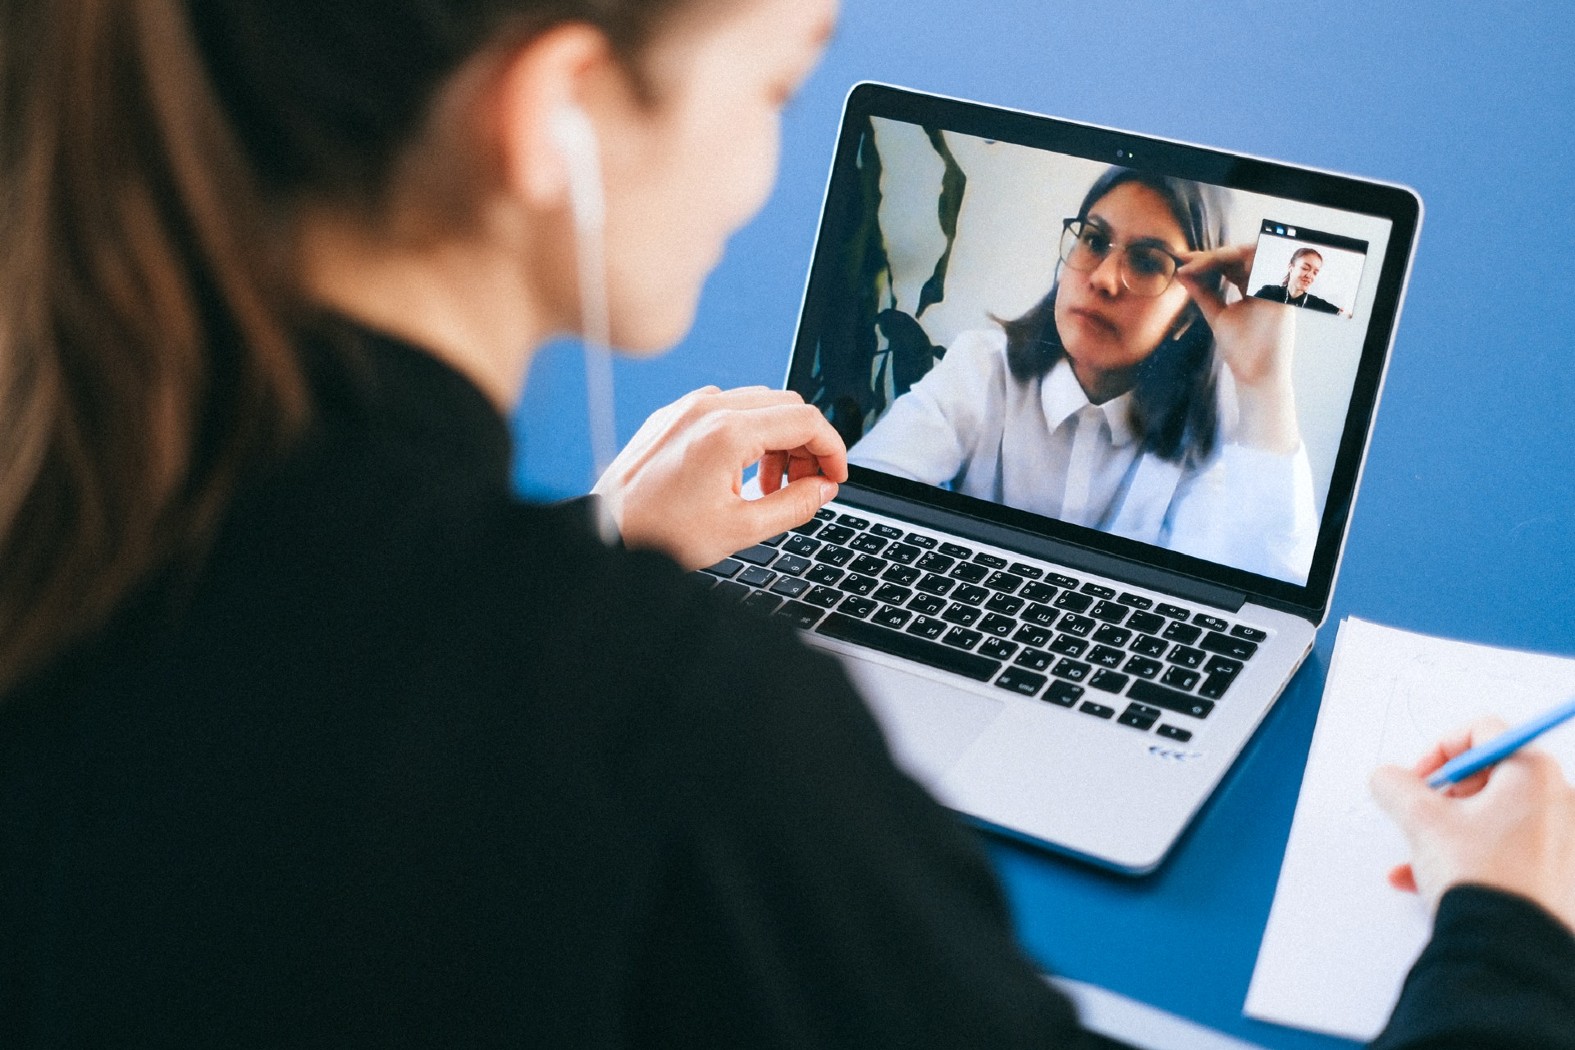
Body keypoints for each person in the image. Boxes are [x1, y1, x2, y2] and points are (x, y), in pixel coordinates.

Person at [0, 1, 1572, 1047]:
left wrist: (585, 562)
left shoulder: (72, 492)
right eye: (771, 85)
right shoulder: (699, 738)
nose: (768, 157)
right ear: (554, 117)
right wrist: (1509, 932)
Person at [849, 168, 1319, 583]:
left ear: (1185, 317)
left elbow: (1258, 590)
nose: (1104, 278)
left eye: (1148, 261)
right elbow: (861, 501)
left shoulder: (1208, 438)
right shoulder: (982, 367)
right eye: (1094, 241)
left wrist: (1264, 383)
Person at [1254, 245, 1343, 314]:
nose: (1309, 275)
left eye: (1315, 272)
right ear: (1291, 267)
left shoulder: (1319, 305)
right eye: (1305, 268)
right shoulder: (1268, 293)